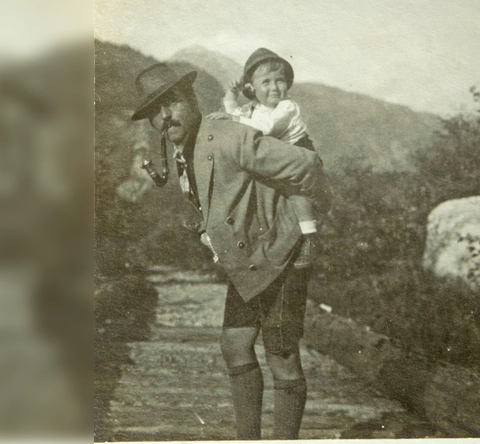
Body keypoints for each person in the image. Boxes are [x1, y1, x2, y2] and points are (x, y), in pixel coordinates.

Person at [130, 62, 330, 440]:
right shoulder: (182, 148)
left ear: (190, 100)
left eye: (170, 104)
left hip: (282, 256)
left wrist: (303, 227)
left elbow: (308, 165)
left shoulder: (226, 136)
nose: (164, 116)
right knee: (235, 345)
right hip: (249, 263)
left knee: (282, 358)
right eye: (155, 112)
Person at [207, 48, 318, 268]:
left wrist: (233, 118)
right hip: (273, 156)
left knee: (296, 193)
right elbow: (234, 111)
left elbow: (265, 128)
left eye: (280, 81)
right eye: (266, 82)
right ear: (252, 89)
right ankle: (230, 239)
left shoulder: (287, 107)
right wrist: (232, 93)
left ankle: (309, 239)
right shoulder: (253, 109)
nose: (275, 87)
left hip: (297, 151)